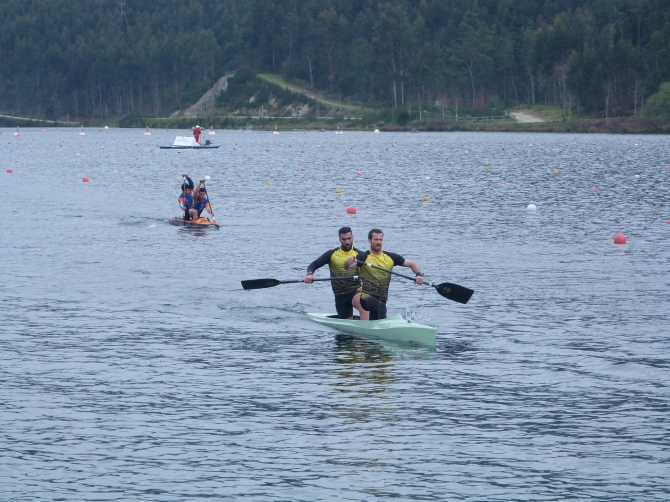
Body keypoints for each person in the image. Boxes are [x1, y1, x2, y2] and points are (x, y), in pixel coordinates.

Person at [344, 228, 424, 320]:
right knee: (380, 307)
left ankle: (371, 330)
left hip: (382, 299)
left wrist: (418, 275)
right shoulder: (363, 257)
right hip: (366, 298)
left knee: (378, 313)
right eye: (376, 239)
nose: (378, 242)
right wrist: (348, 262)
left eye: (380, 240)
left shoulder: (390, 257)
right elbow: (348, 267)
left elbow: (411, 264)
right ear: (369, 240)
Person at [305, 227, 368, 320]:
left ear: (353, 238)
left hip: (356, 291)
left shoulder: (360, 255)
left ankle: (366, 328)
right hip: (340, 296)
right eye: (344, 239)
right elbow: (314, 264)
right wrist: (309, 274)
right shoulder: (332, 254)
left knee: (363, 304)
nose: (347, 242)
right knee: (347, 324)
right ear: (339, 239)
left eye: (349, 238)